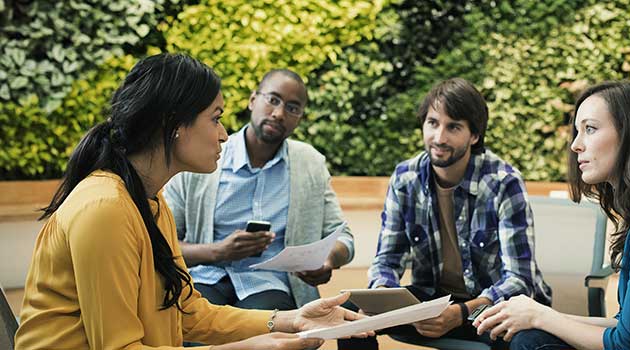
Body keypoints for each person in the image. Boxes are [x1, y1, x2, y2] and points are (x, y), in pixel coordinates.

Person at [14, 53, 367, 349]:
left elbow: (186, 310)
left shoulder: (150, 203)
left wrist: (290, 319)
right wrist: (248, 346)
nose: (225, 134)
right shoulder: (104, 208)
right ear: (174, 124)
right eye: (215, 118)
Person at [473, 81, 630, 350]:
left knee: (531, 342)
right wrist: (534, 316)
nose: (576, 145)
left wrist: (540, 315)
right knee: (523, 333)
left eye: (590, 129)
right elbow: (628, 326)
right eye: (577, 132)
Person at [339, 77, 552, 349]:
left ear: (474, 135)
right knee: (348, 314)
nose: (439, 138)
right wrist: (382, 298)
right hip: (431, 302)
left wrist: (461, 313)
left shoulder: (503, 182)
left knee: (523, 339)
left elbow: (520, 281)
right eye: (433, 123)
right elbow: (387, 260)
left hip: (488, 307)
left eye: (453, 127)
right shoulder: (406, 178)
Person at [163, 68, 354, 312]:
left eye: (292, 108)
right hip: (205, 277)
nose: (278, 113)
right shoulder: (204, 157)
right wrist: (217, 251)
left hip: (271, 284)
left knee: (269, 325)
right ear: (253, 100)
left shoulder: (310, 164)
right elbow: (162, 243)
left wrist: (327, 260)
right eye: (272, 100)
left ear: (300, 118)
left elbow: (343, 238)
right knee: (195, 319)